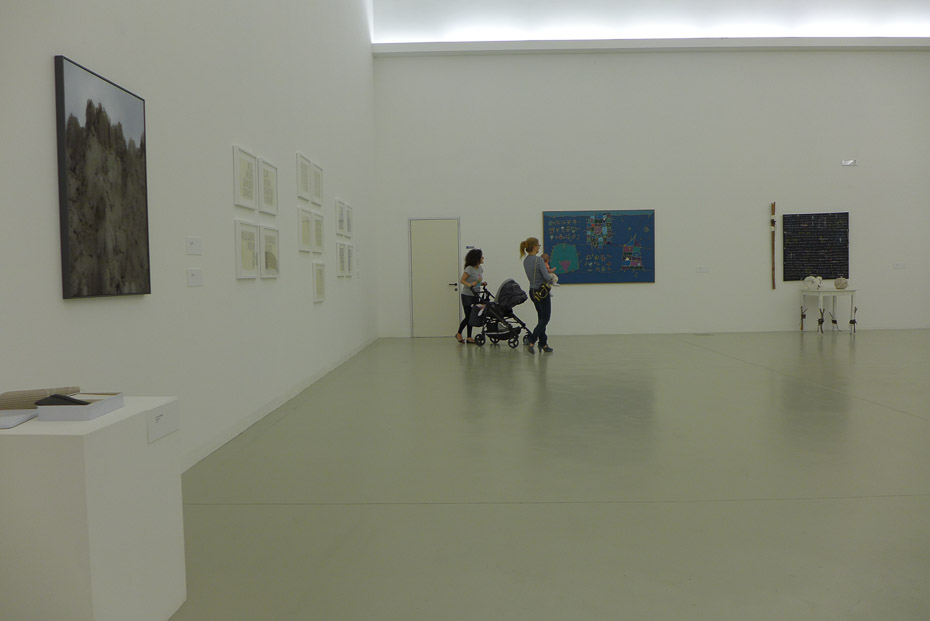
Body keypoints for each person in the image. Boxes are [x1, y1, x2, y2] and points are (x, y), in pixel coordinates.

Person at [520, 237, 554, 353]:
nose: (539, 247)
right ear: (534, 246)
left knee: (541, 318)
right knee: (545, 318)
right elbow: (546, 277)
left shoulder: (526, 260)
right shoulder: (539, 260)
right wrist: (552, 278)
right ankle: (532, 340)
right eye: (538, 245)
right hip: (542, 292)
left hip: (533, 291)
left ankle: (543, 343)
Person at [455, 248, 485, 344]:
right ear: (476, 258)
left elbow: (477, 281)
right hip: (467, 295)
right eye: (481, 256)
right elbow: (462, 280)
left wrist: (481, 283)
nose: (483, 258)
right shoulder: (469, 269)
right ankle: (459, 333)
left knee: (473, 316)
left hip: (476, 294)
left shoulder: (480, 268)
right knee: (468, 316)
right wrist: (470, 285)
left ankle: (469, 337)